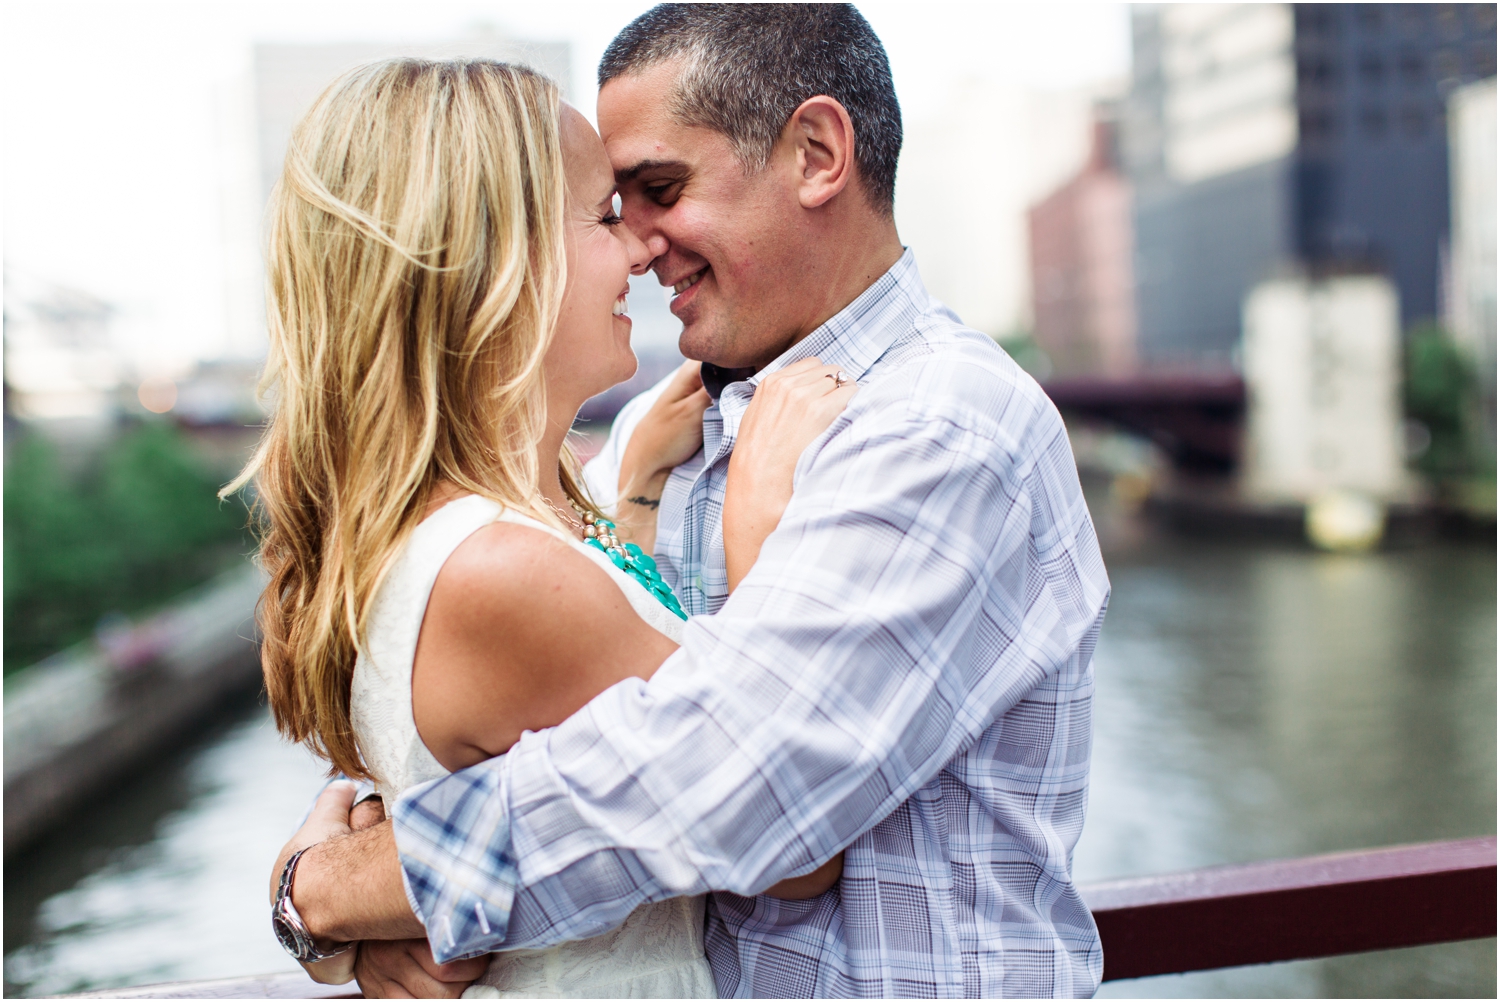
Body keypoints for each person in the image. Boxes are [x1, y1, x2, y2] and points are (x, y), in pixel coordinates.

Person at [279, 5, 1111, 998]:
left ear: (815, 153)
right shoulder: (650, 439)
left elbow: (744, 788)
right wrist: (344, 878)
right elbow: (490, 707)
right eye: (608, 209)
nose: (638, 244)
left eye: (658, 190)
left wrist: (336, 888)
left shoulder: (939, 425)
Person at [233, 57, 856, 998]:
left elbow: (594, 710)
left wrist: (636, 490)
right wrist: (763, 529)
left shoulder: (501, 532)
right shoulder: (501, 572)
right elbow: (791, 845)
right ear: (490, 262)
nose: (643, 251)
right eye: (606, 216)